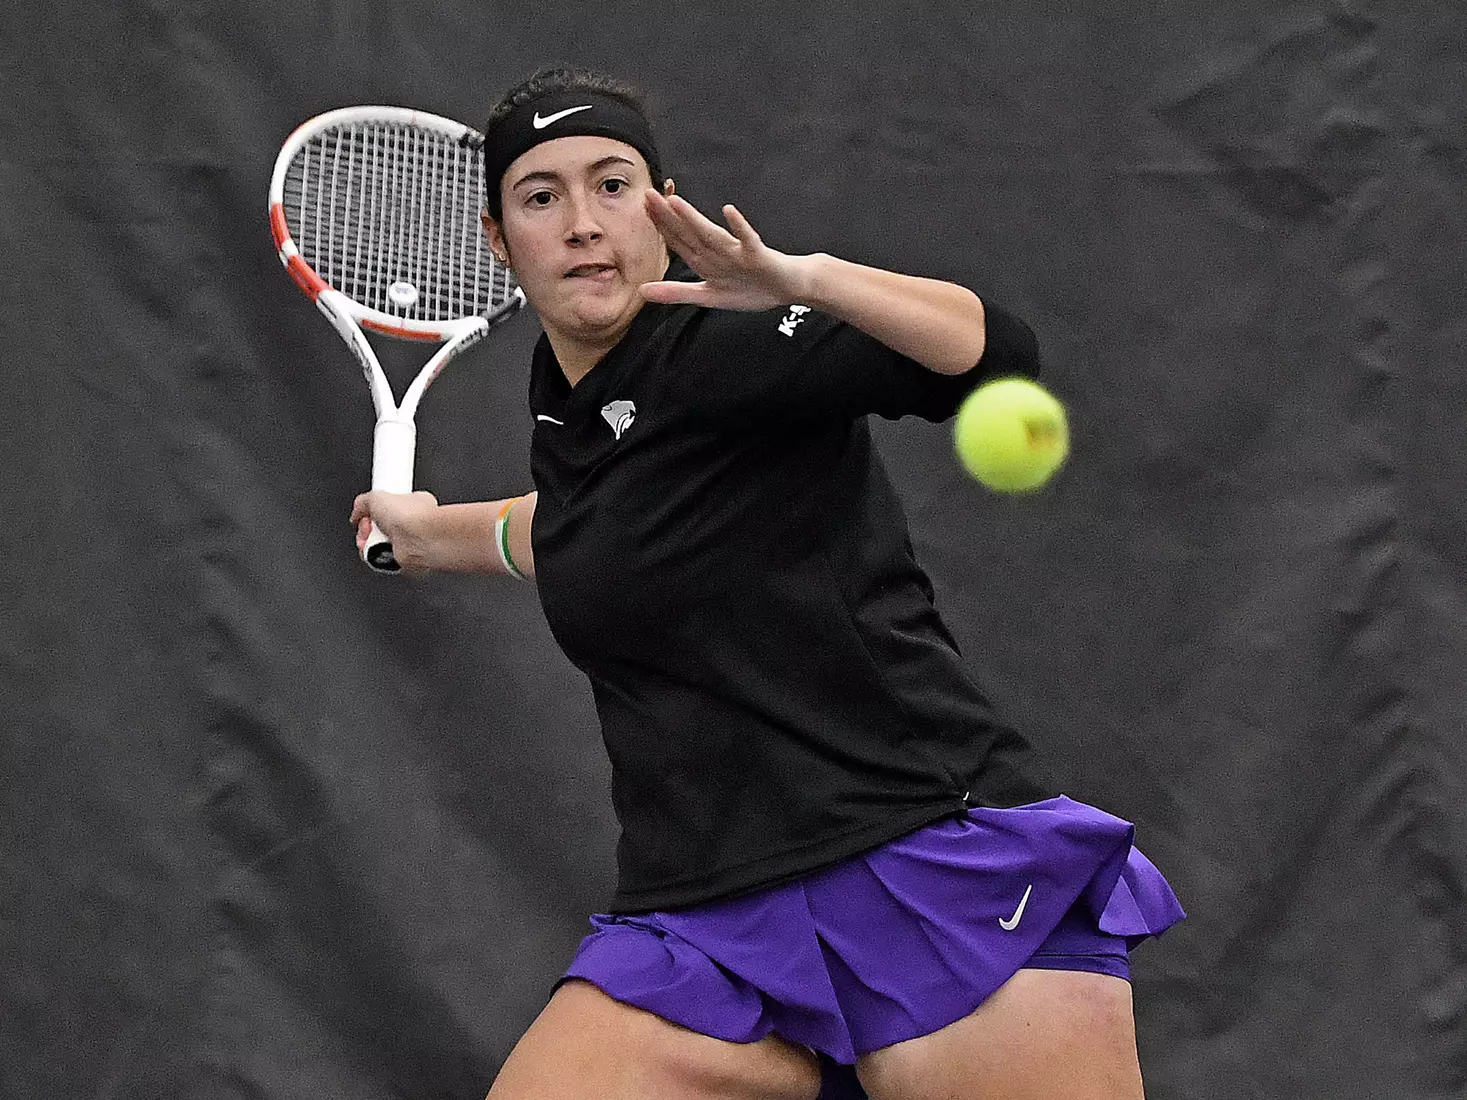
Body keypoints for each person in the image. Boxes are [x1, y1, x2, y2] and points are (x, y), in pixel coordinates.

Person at [350, 65, 1185, 1100]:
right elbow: (592, 529)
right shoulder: (570, 410)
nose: (582, 223)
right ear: (497, 239)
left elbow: (995, 356)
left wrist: (806, 280)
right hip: (707, 915)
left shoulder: (737, 343)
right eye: (540, 196)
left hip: (917, 854)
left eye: (611, 185)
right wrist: (434, 536)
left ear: (662, 208)